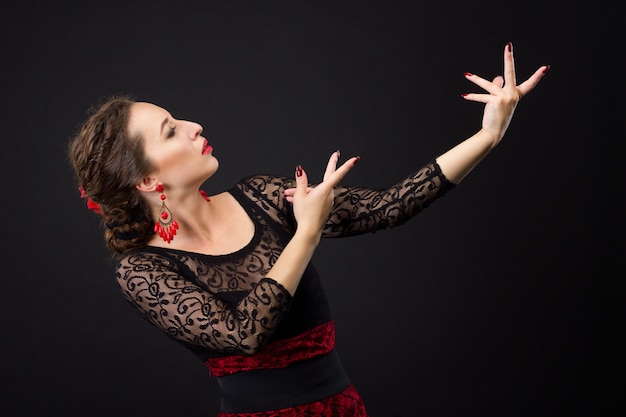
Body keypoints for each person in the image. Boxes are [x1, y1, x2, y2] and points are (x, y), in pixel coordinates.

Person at [68, 42, 548, 416]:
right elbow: (243, 335)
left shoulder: (260, 196)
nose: (194, 125)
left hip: (342, 408)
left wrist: (488, 135)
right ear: (148, 180)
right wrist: (306, 234)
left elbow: (388, 206)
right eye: (171, 130)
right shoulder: (142, 271)